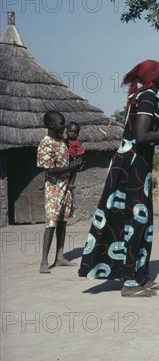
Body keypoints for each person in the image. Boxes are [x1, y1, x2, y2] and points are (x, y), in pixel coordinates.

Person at [78, 60, 159, 297]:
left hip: (135, 168)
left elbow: (146, 137)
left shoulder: (144, 97)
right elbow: (141, 137)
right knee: (134, 223)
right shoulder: (148, 98)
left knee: (142, 223)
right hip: (132, 169)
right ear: (154, 77)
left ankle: (140, 277)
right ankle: (130, 282)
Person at [37, 111, 82, 273]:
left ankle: (60, 256)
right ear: (51, 125)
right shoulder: (46, 143)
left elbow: (67, 161)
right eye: (61, 124)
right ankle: (43, 262)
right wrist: (71, 167)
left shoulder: (62, 141)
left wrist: (77, 163)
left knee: (63, 222)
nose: (64, 126)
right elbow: (49, 171)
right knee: (51, 224)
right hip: (54, 189)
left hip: (65, 188)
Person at [65, 121, 85, 190]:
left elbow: (81, 151)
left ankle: (70, 184)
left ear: (78, 134)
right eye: (71, 131)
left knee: (73, 172)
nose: (73, 133)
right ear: (66, 131)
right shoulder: (64, 141)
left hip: (73, 160)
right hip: (65, 159)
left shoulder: (77, 142)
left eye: (75, 132)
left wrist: (75, 155)